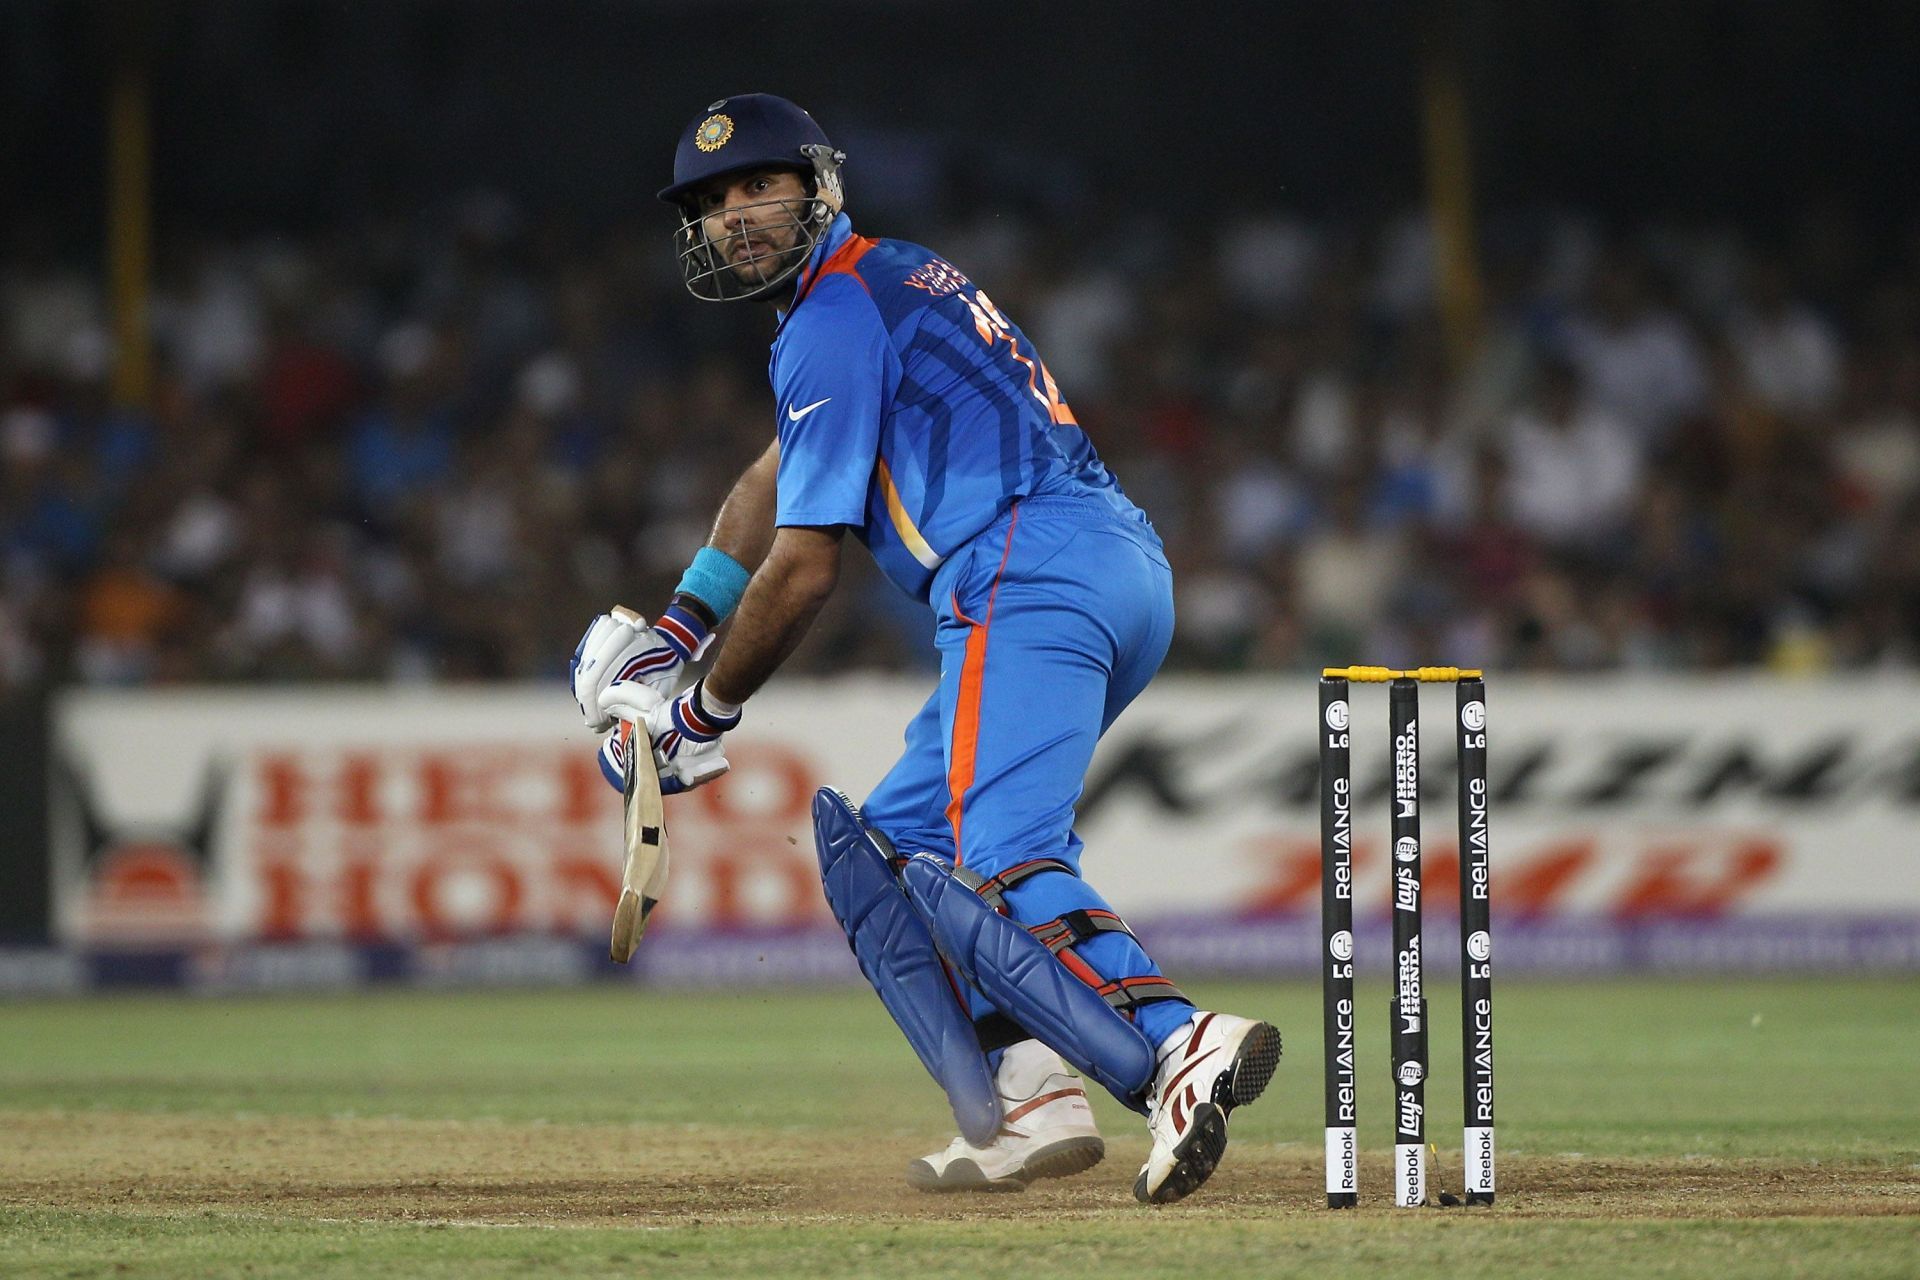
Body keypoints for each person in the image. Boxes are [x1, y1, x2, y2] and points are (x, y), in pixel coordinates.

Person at [569, 93, 1279, 1204]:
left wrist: (697, 714)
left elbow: (805, 565)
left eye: (760, 185)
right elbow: (768, 485)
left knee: (995, 852)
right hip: (1098, 563)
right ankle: (1022, 1095)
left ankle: (1180, 1043)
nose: (736, 215)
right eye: (712, 203)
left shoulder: (832, 316)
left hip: (1025, 568)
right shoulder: (874, 284)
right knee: (887, 841)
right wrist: (675, 634)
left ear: (819, 185)